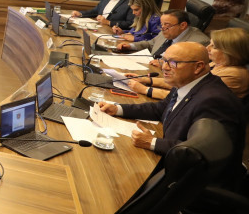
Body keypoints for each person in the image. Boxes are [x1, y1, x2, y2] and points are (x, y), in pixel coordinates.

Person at [98, 42, 244, 169]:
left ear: (198, 67)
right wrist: (117, 108)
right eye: (164, 60)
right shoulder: (186, 82)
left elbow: (201, 151)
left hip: (193, 184)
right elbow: (160, 108)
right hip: (173, 161)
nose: (165, 68)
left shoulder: (214, 100)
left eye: (173, 63)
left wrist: (153, 142)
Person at [128, 27, 249, 99]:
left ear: (230, 52)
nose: (207, 48)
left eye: (214, 46)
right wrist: (148, 80)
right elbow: (184, 81)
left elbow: (190, 97)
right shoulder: (216, 64)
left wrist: (146, 90)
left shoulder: (234, 75)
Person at [116, 9, 209, 59]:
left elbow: (186, 65)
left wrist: (163, 63)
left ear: (183, 25)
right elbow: (150, 44)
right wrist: (130, 46)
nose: (163, 28)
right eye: (162, 24)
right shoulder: (167, 30)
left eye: (167, 25)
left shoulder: (199, 43)